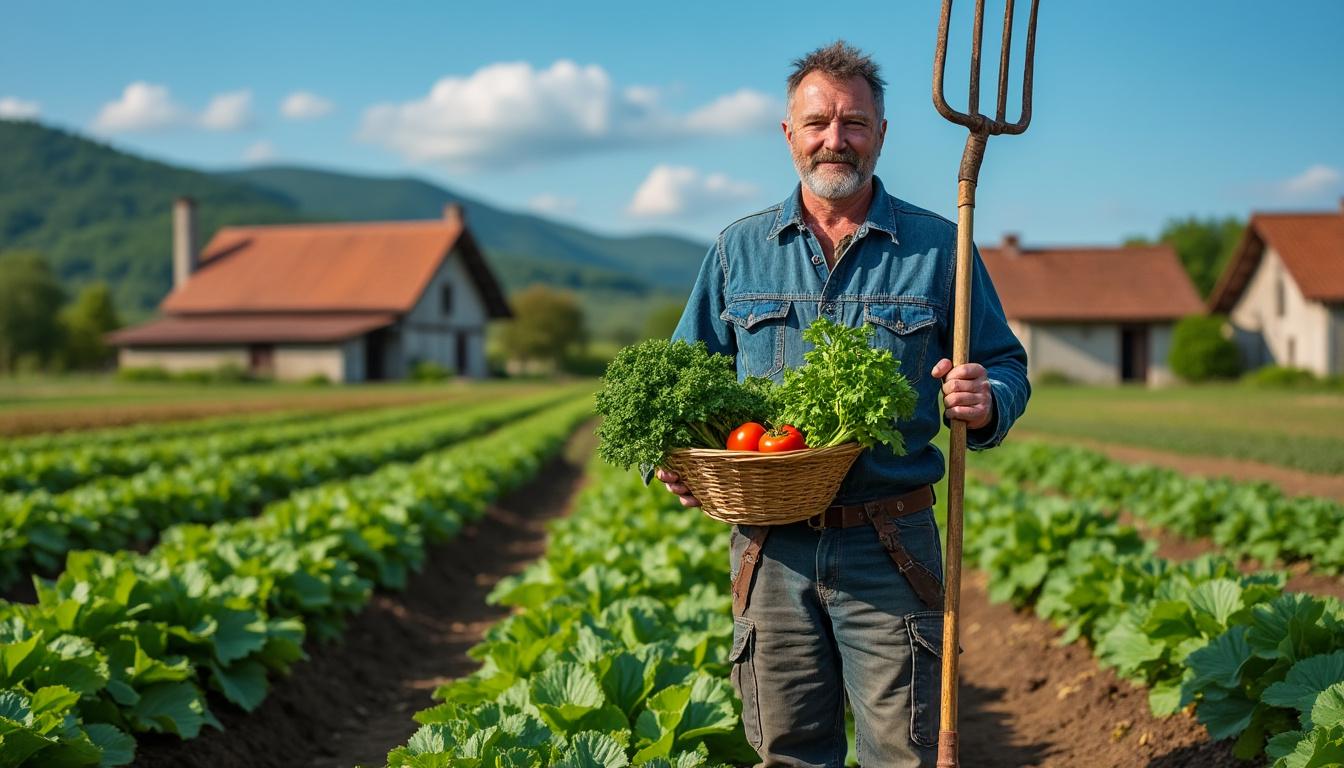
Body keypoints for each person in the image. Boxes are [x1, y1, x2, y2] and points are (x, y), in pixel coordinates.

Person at [654, 41, 1029, 767]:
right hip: (772, 551)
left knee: (904, 753)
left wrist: (985, 400)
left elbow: (1006, 362)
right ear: (788, 133)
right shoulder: (738, 250)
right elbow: (681, 378)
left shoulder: (939, 248)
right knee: (790, 751)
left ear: (882, 134)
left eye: (854, 122)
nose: (836, 138)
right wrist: (676, 464)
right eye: (819, 121)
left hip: (890, 547)